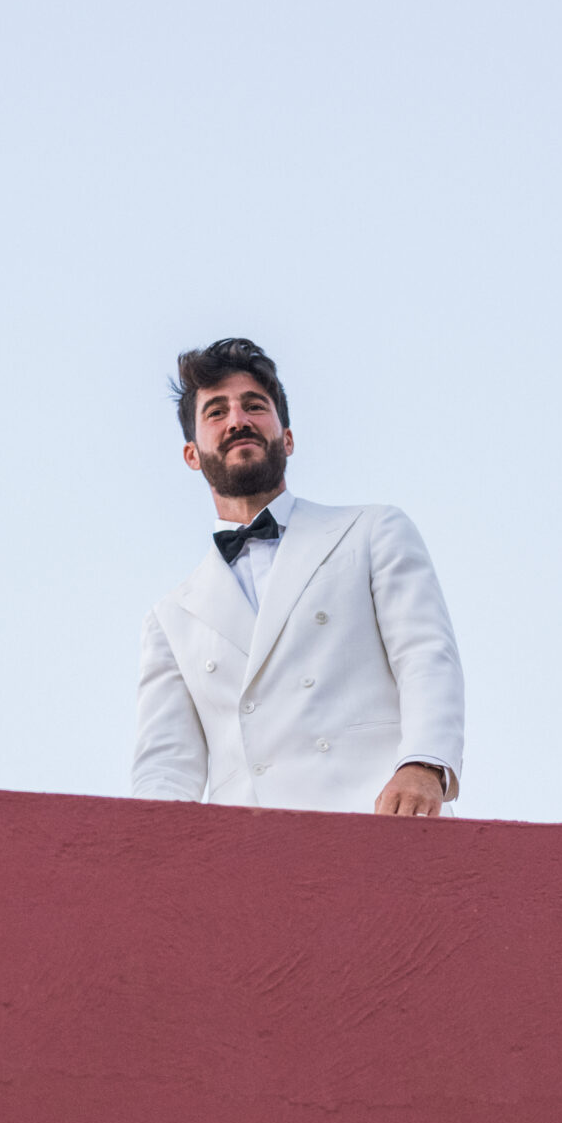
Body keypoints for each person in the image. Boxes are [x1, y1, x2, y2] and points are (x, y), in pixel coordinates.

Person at [131, 337, 462, 816]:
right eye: (216, 412)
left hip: (380, 824)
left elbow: (426, 657)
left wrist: (424, 764)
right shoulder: (170, 618)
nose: (237, 420)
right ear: (192, 454)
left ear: (287, 437)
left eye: (254, 406)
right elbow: (165, 770)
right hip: (246, 850)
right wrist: (147, 851)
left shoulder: (372, 531)